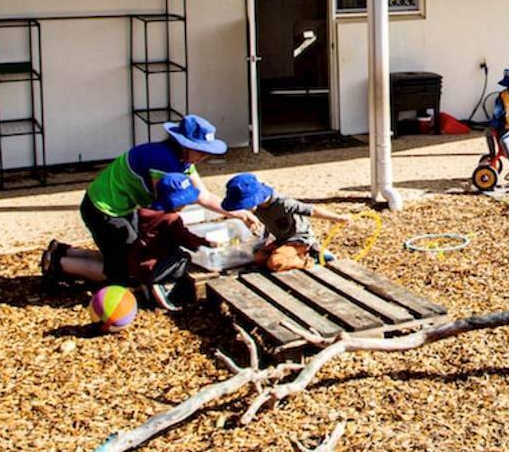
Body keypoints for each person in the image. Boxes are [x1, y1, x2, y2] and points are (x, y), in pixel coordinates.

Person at [44, 114, 257, 286]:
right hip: (105, 210)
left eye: (207, 152)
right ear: (183, 144)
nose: (204, 156)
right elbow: (163, 207)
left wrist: (237, 212)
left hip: (119, 207)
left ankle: (64, 251)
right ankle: (57, 263)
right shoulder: (164, 162)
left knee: (124, 254)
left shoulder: (183, 160)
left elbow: (203, 195)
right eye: (200, 150)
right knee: (125, 272)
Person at [44, 173, 219, 309]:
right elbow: (187, 239)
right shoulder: (171, 219)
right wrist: (205, 243)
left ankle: (62, 253)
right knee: (182, 257)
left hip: (136, 255)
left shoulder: (145, 210)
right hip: (149, 266)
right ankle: (162, 285)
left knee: (109, 259)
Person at [223, 172, 350, 272]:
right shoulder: (258, 207)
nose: (243, 209)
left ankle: (312, 258)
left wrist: (337, 218)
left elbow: (311, 210)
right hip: (281, 240)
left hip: (299, 240)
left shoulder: (283, 203)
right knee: (256, 258)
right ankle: (287, 255)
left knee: (276, 263)